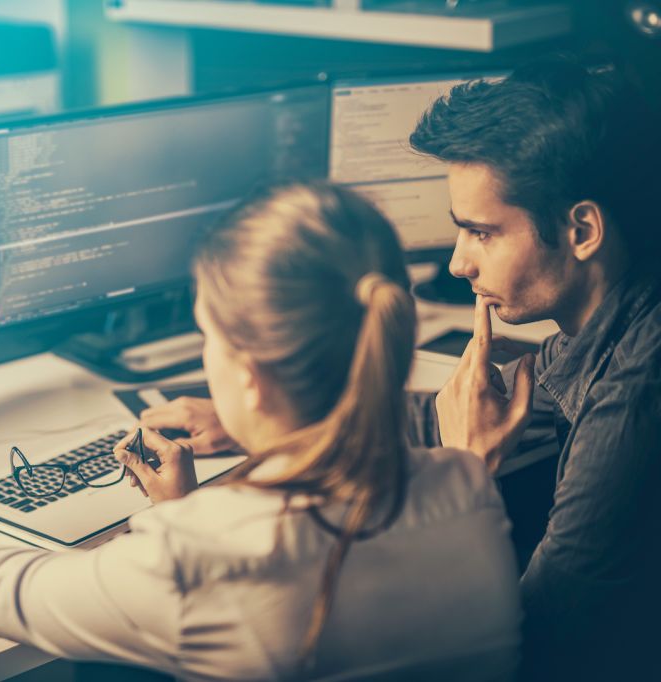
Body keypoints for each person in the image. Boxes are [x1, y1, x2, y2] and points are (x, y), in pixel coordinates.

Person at [0, 182, 521, 680]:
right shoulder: (468, 482)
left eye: (208, 336)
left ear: (251, 377)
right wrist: (182, 511)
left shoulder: (199, 557)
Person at [147, 60, 661, 680]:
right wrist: (278, 417)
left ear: (581, 229)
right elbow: (466, 403)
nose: (457, 264)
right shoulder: (614, 322)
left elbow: (533, 646)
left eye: (481, 233)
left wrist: (469, 469)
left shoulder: (634, 398)